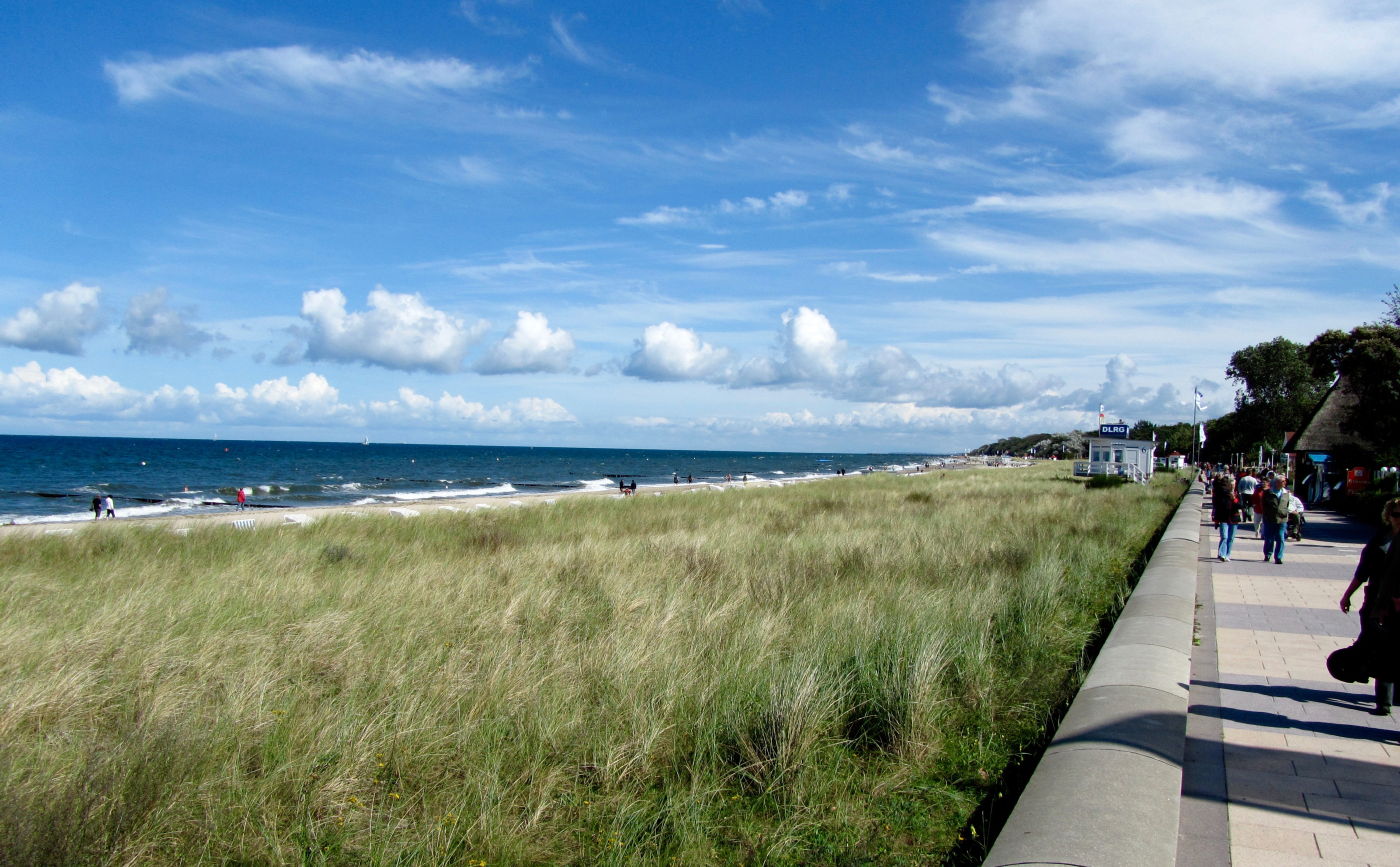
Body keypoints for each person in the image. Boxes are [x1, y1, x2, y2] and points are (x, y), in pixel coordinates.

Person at [1339, 498, 1400, 714]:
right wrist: (1348, 595)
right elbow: (1363, 571)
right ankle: (1383, 701)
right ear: (1388, 515)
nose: (1399, 519)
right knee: (1382, 649)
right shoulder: (1380, 540)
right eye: (1396, 514)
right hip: (1379, 600)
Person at [1261, 476, 1292, 564]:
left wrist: (1285, 512)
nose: (1284, 483)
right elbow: (1263, 504)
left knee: (1281, 538)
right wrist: (1266, 515)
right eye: (1282, 481)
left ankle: (1278, 557)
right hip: (1269, 519)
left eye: (1284, 481)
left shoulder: (1286, 493)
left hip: (1282, 519)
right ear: (1276, 482)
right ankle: (1267, 554)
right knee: (1269, 538)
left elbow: (1287, 504)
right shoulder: (1268, 492)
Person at [1212, 474, 1242, 561]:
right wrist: (1216, 520)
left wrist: (1234, 500)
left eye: (1234, 484)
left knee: (1230, 538)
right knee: (1224, 536)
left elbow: (1241, 506)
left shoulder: (1237, 494)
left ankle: (1227, 554)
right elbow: (1217, 507)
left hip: (1234, 519)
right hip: (1223, 518)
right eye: (1231, 484)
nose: (1232, 486)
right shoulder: (1221, 494)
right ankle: (1222, 554)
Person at [1237, 469, 1259, 534]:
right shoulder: (1254, 479)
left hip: (1244, 493)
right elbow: (1256, 486)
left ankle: (1244, 517)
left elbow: (1239, 486)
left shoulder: (1243, 479)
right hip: (1251, 493)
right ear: (1251, 473)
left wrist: (1240, 492)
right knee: (1250, 505)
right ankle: (1249, 514)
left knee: (1244, 505)